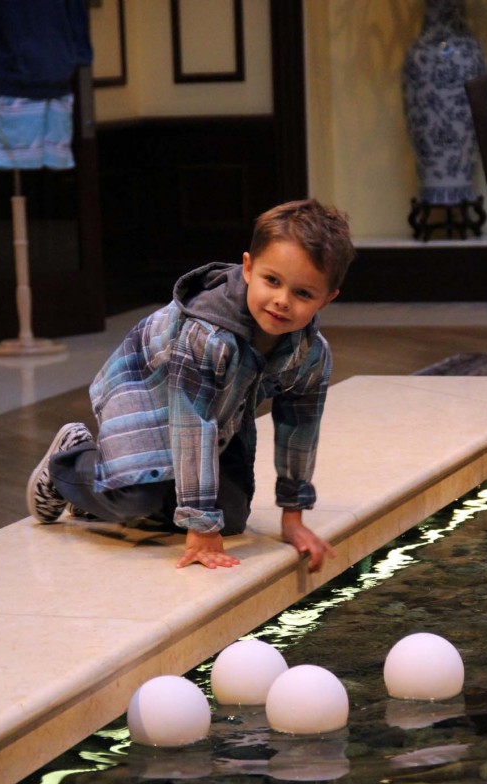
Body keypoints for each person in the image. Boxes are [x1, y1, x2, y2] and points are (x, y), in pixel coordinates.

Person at [26, 199, 355, 572]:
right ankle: (69, 464)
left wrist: (292, 517)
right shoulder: (208, 335)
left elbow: (300, 429)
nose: (282, 301)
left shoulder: (311, 354)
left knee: (230, 518)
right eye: (272, 281)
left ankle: (105, 495)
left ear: (327, 299)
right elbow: (191, 423)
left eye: (303, 294)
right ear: (248, 268)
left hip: (213, 412)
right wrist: (199, 527)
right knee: (136, 497)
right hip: (143, 393)